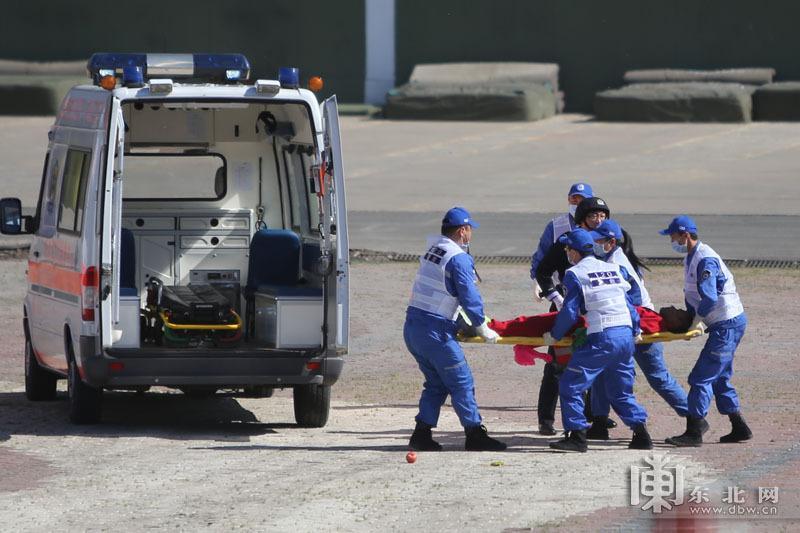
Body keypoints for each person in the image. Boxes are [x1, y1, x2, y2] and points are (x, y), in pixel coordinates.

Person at [405, 207, 507, 452]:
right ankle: (474, 434)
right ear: (463, 231)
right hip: (435, 332)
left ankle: (421, 434)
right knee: (462, 382)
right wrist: (481, 327)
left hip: (413, 327)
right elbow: (469, 297)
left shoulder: (433, 249)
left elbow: (439, 293)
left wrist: (461, 324)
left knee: (436, 382)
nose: (471, 234)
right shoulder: (458, 257)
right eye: (470, 229)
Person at [544, 228, 652, 452]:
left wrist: (555, 334)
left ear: (574, 251)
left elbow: (570, 311)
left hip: (603, 336)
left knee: (571, 385)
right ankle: (641, 434)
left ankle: (577, 436)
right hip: (625, 335)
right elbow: (628, 304)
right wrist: (636, 328)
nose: (567, 253)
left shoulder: (575, 273)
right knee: (620, 391)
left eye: (567, 249)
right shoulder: (613, 269)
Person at [587, 219, 689, 440]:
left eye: (596, 240)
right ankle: (599, 422)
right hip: (630, 323)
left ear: (611, 242)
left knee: (658, 377)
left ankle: (695, 418)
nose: (592, 244)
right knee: (602, 373)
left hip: (641, 326)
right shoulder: (612, 258)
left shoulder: (616, 264)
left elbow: (630, 303)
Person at [660, 215, 752, 447]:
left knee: (700, 378)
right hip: (727, 323)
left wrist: (697, 322)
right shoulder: (692, 256)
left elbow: (710, 297)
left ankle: (694, 431)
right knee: (719, 377)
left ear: (684, 235)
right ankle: (739, 426)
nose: (671, 240)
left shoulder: (704, 259)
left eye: (672, 236)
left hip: (726, 324)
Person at [534, 195, 616, 435]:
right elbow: (543, 271)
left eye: (603, 215)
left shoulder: (607, 240)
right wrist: (556, 298)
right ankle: (546, 419)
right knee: (558, 365)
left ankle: (595, 416)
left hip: (597, 311)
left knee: (595, 362)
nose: (598, 220)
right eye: (593, 215)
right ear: (582, 218)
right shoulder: (565, 242)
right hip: (566, 308)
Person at [529, 182, 593, 436]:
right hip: (562, 298)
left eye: (582, 199)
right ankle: (546, 419)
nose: (577, 203)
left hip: (591, 303)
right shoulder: (556, 227)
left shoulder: (600, 226)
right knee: (557, 359)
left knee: (590, 358)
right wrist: (547, 290)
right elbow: (541, 260)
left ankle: (593, 417)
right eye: (574, 198)